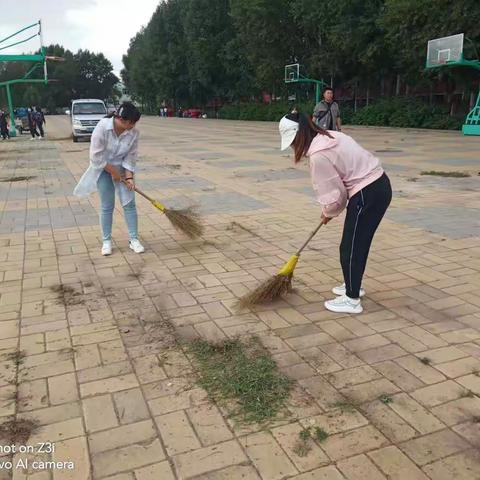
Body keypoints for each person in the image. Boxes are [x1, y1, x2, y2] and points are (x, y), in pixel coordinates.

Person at [279, 112, 392, 314]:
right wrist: (331, 210)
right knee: (358, 243)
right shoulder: (330, 136)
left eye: (293, 142)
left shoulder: (318, 155)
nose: (294, 147)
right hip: (379, 185)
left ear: (299, 136)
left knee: (350, 247)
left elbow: (334, 193)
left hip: (367, 194)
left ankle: (351, 299)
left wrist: (328, 211)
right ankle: (353, 283)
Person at [73, 102, 144, 256]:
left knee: (129, 204)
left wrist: (129, 177)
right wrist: (113, 172)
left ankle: (134, 239)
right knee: (107, 205)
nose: (133, 126)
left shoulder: (133, 133)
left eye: (134, 123)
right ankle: (106, 241)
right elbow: (96, 157)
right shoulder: (102, 128)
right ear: (121, 119)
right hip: (103, 168)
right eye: (131, 122)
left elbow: (131, 155)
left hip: (123, 169)